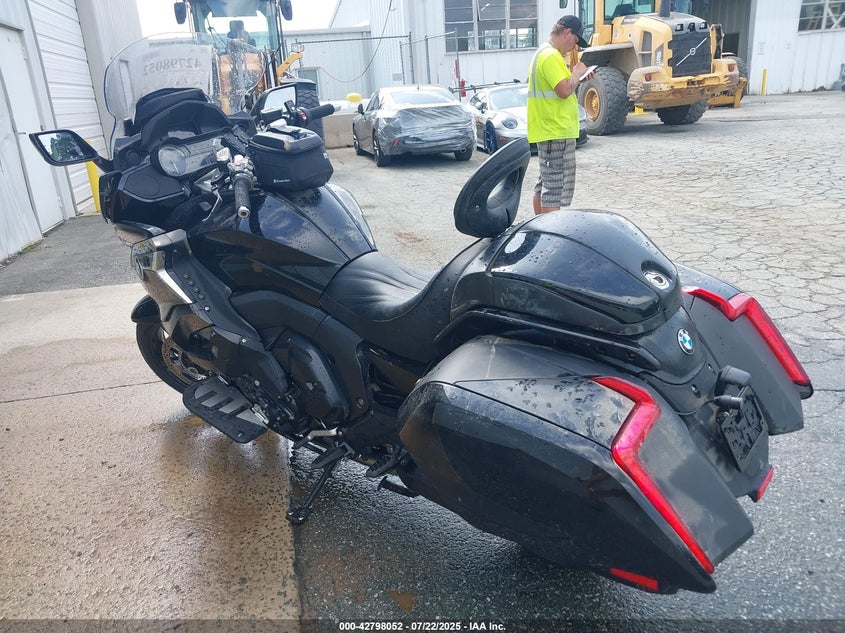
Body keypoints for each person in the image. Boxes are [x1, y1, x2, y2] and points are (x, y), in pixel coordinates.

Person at [527, 15, 593, 215]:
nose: (574, 47)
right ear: (567, 32)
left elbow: (562, 88)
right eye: (575, 41)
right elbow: (564, 91)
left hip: (549, 130)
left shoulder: (544, 53)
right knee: (554, 190)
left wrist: (579, 78)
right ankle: (551, 233)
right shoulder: (551, 56)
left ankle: (538, 228)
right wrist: (577, 72)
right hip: (555, 131)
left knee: (545, 185)